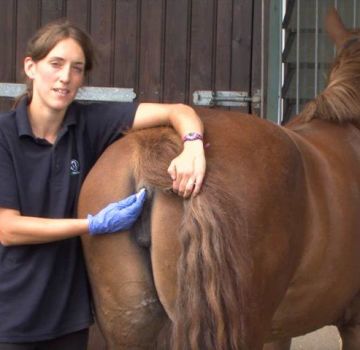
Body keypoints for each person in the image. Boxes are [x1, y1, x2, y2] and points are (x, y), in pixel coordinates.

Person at [0, 19, 206, 350]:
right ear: (31, 67)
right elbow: (7, 228)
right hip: (11, 318)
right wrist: (91, 225)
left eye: (77, 68)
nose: (66, 77)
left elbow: (179, 111)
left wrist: (193, 145)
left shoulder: (88, 123)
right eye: (56, 64)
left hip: (69, 318)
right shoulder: (4, 135)